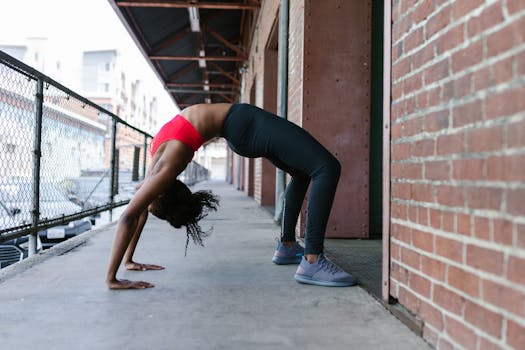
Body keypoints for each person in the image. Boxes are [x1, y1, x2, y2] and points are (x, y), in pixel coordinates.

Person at [105, 103, 357, 290]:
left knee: (302, 173)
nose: (146, 203)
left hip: (241, 127)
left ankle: (287, 246)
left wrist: (129, 261)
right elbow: (129, 217)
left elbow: (136, 213)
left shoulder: (157, 169)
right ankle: (312, 259)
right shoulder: (166, 165)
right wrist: (112, 279)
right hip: (244, 125)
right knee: (326, 167)